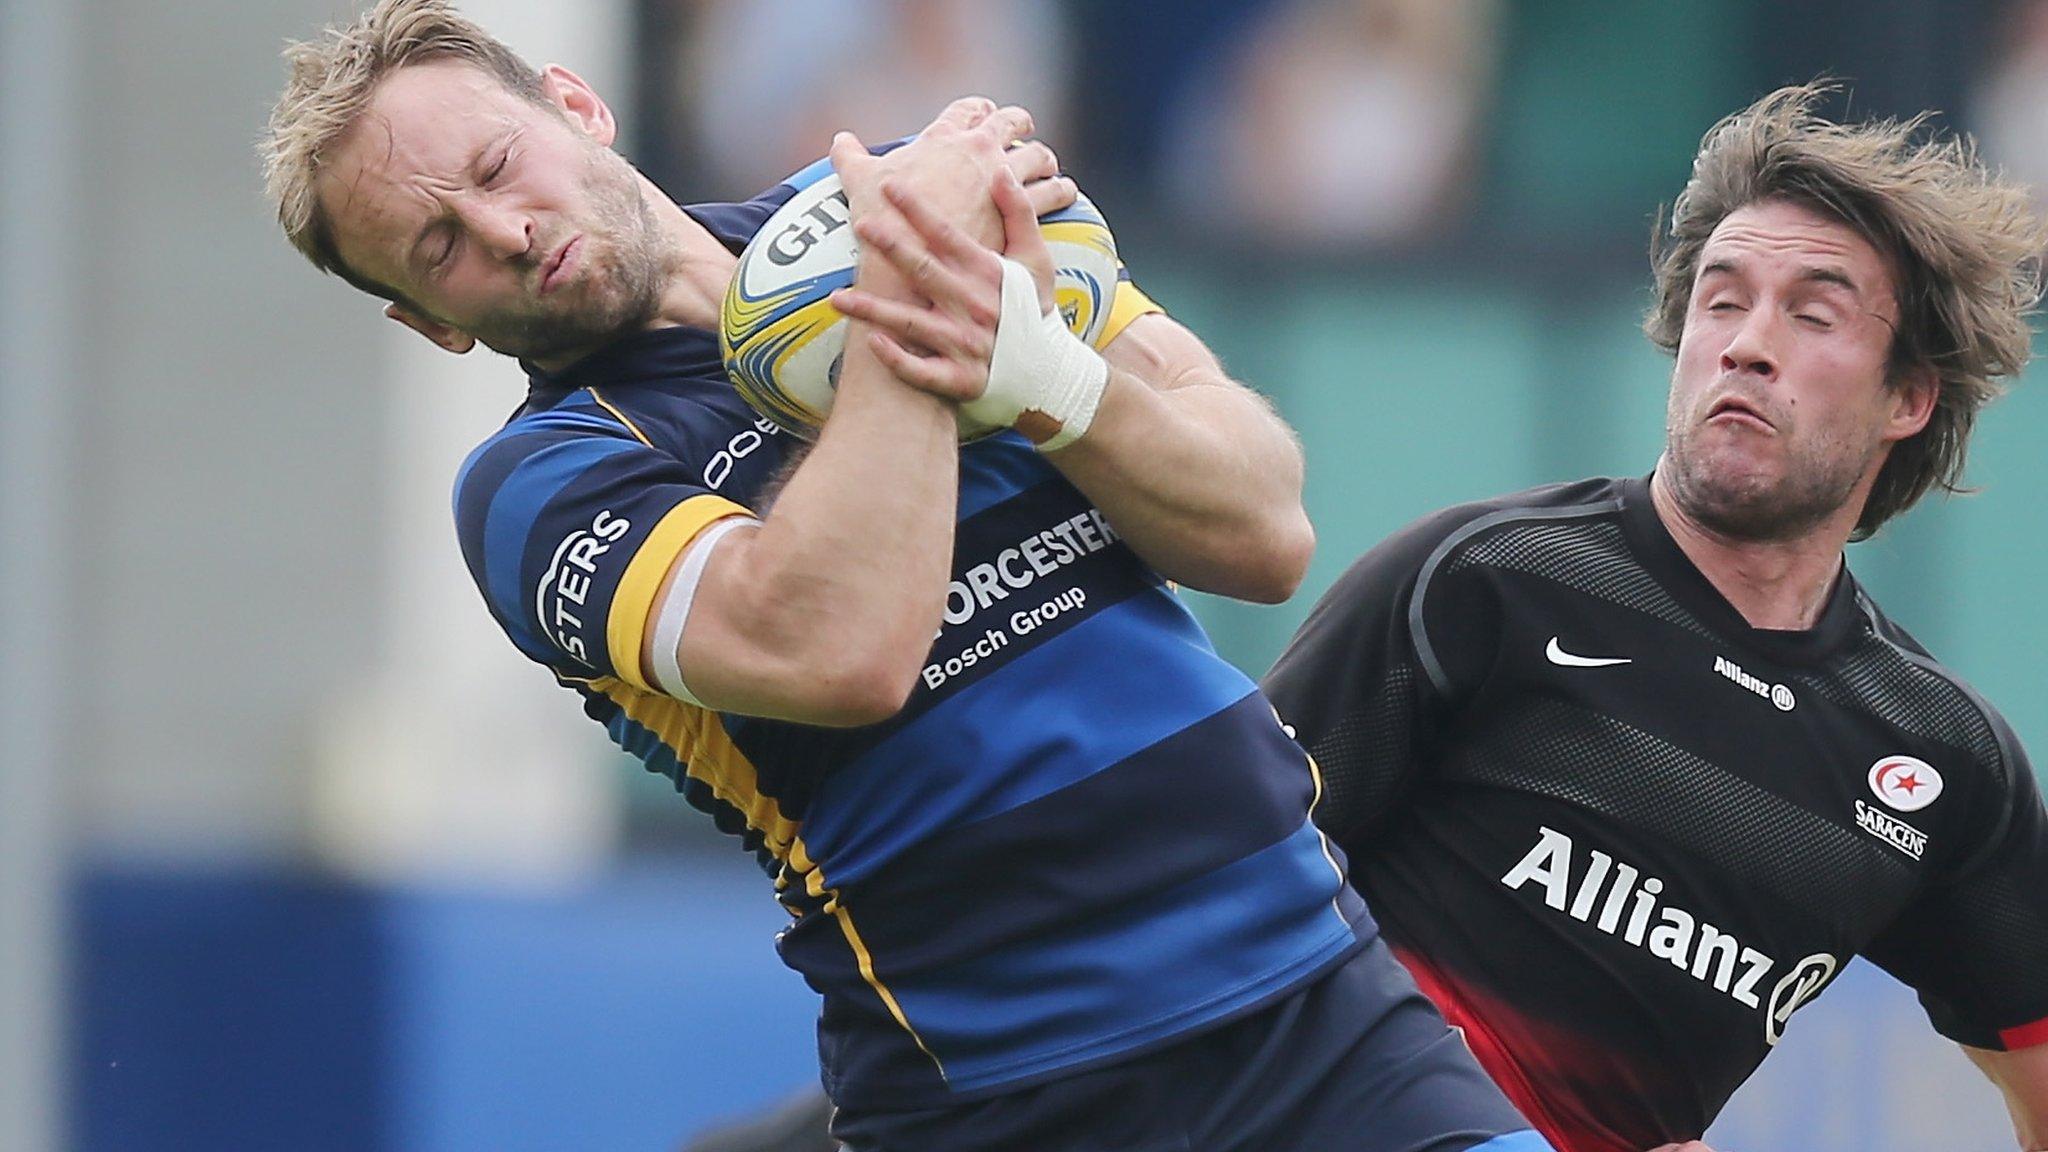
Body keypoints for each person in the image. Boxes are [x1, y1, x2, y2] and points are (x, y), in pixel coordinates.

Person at [261, 2, 1554, 1149]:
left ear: (577, 104)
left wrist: (1044, 374)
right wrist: (914, 301)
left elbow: (1263, 525)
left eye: (496, 165)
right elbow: (842, 647)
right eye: (438, 248)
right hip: (1017, 1084)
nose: (503, 227)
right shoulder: (539, 486)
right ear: (429, 321)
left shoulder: (904, 199)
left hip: (1316, 995)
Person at [1263, 82, 2048, 1152]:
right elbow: (1214, 891)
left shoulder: (1942, 764)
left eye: (1809, 314)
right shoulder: (1481, 581)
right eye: (1721, 302)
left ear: (1906, 398)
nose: (1743, 345)